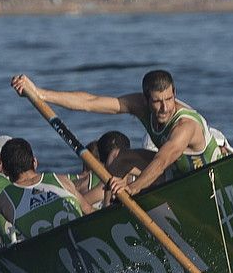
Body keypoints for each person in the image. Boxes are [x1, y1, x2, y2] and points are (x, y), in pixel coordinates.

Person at [11, 69, 221, 198]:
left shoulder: (185, 126)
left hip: (211, 179)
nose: (165, 108)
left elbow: (162, 160)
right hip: (178, 173)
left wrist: (134, 187)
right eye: (157, 101)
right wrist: (40, 93)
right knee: (123, 159)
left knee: (144, 169)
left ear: (175, 93)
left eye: (169, 99)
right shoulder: (139, 105)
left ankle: (125, 195)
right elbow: (90, 103)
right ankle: (111, 210)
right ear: (146, 100)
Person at [0, 137, 92, 243]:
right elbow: (89, 211)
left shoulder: (3, 200)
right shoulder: (61, 180)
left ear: (5, 171)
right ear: (34, 162)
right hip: (83, 242)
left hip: (47, 253)